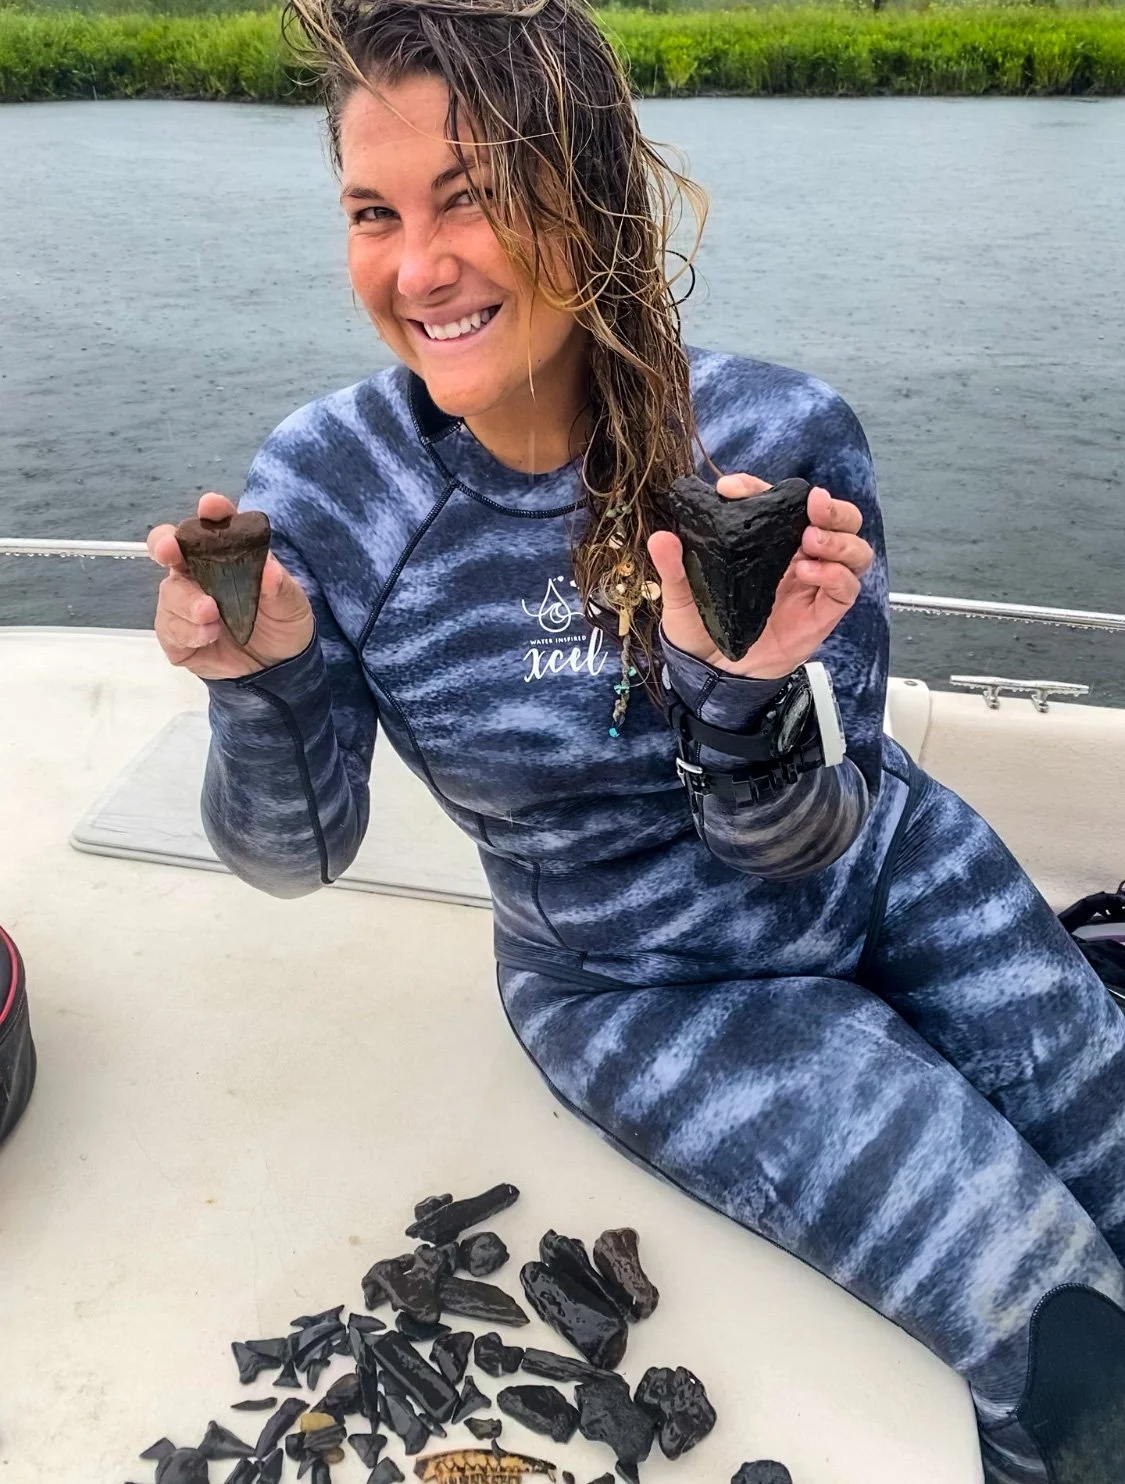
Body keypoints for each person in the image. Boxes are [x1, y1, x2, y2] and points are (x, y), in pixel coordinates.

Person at [145, 1, 1125, 1477]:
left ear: (589, 190)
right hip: (638, 984)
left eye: (471, 198)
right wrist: (263, 681)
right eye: (373, 212)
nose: (419, 269)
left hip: (889, 867)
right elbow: (297, 858)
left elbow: (809, 833)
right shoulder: (332, 491)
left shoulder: (772, 434)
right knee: (1079, 1363)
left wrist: (733, 690)